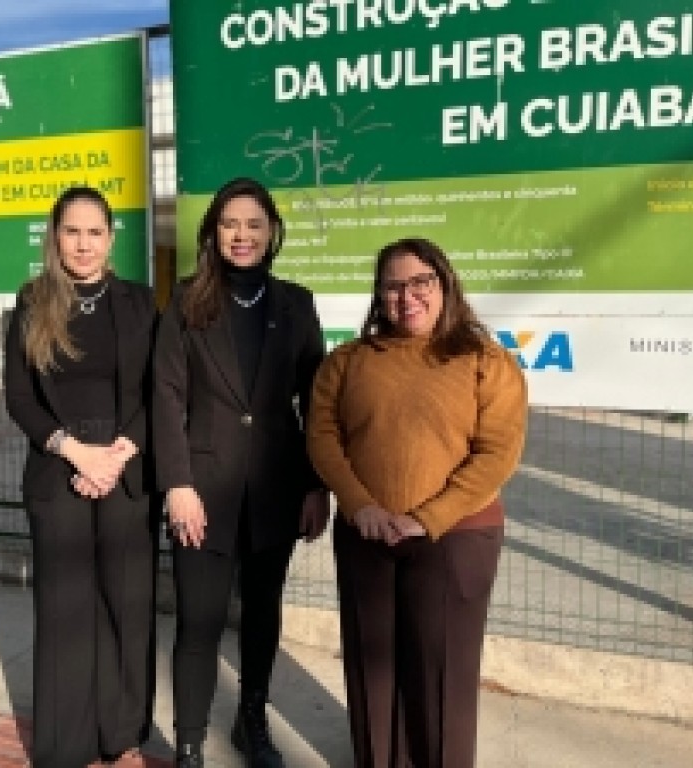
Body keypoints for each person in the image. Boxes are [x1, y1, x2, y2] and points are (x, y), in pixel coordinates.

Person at [306, 237, 528, 768]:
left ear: (445, 285)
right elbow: (322, 436)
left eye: (420, 283)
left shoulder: (486, 362)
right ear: (378, 295)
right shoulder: (348, 363)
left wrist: (427, 518)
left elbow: (497, 453)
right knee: (372, 672)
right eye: (393, 286)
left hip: (457, 536)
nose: (407, 297)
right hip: (367, 533)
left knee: (442, 674)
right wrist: (360, 505)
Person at [152, 177, 330, 768]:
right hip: (201, 494)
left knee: (261, 617)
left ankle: (251, 722)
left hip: (277, 491)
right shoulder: (186, 302)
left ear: (272, 231)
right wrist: (177, 485)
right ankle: (189, 743)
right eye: (230, 223)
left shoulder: (297, 304)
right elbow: (166, 398)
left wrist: (315, 485)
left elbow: (316, 403)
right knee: (198, 624)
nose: (242, 235)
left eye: (254, 224)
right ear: (213, 232)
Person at [4, 186, 157, 768]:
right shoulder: (32, 302)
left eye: (95, 232)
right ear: (55, 236)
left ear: (111, 238)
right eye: (72, 231)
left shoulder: (141, 303)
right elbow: (20, 398)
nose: (84, 244)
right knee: (66, 610)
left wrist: (115, 456)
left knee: (126, 605)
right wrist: (75, 453)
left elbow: (161, 389)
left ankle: (122, 736)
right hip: (58, 469)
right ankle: (68, 747)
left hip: (125, 468)